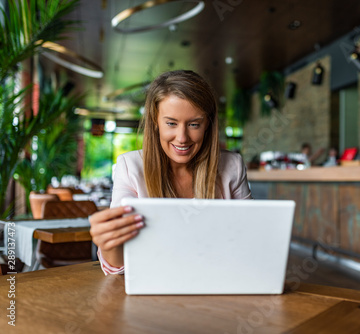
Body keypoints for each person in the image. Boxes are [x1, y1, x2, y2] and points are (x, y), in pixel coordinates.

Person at [89, 70, 252, 275]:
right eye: (171, 123)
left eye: (194, 124)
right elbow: (117, 269)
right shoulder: (130, 167)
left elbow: (249, 241)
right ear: (155, 122)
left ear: (208, 125)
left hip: (216, 282)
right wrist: (109, 243)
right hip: (154, 287)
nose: (182, 138)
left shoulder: (232, 166)